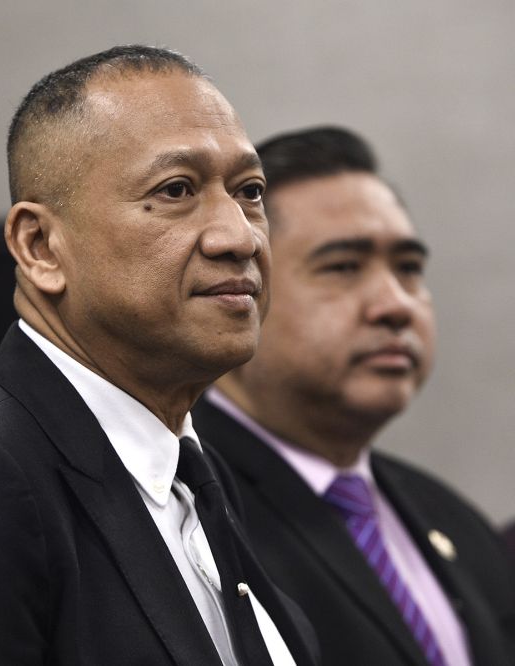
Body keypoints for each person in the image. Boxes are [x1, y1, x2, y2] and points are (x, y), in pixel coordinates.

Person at [0, 45, 318, 665]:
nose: (238, 235)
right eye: (177, 189)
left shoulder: (194, 476)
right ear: (40, 246)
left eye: (250, 191)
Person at [191, 126, 515, 665]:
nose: (395, 305)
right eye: (342, 267)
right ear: (242, 285)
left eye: (409, 269)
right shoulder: (185, 513)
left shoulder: (455, 520)